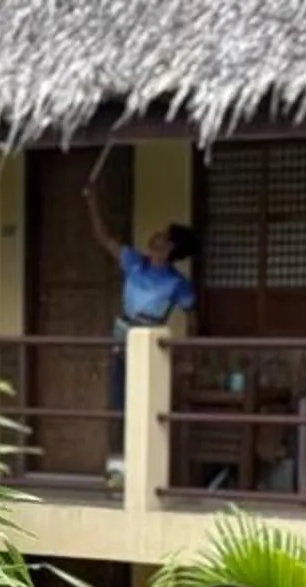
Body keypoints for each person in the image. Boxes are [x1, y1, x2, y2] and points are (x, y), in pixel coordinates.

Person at [83, 187, 197, 482]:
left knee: (145, 403)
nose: (154, 236)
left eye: (161, 235)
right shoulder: (135, 262)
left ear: (169, 247)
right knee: (118, 399)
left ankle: (145, 468)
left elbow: (192, 315)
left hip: (150, 340)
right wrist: (93, 203)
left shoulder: (176, 283)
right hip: (123, 336)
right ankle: (116, 466)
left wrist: (187, 355)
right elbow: (104, 238)